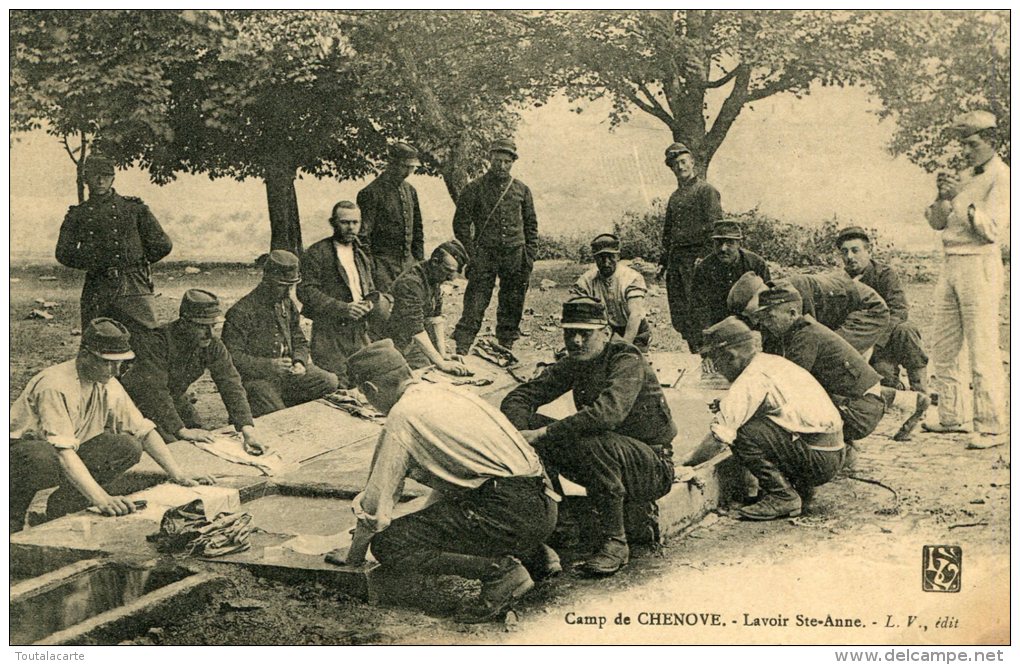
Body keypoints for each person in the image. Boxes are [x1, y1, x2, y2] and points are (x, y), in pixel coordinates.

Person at [327, 340, 558, 623]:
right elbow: (457, 483)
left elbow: (375, 502)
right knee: (449, 515)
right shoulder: (445, 392)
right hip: (542, 504)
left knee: (390, 543)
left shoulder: (403, 416)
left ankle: (501, 574)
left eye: (365, 396)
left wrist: (354, 555)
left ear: (370, 389)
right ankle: (537, 556)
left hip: (509, 513)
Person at [500, 297, 676, 576]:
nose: (577, 341)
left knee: (587, 437)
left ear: (605, 333)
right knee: (535, 428)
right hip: (608, 460)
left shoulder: (626, 358)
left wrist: (543, 434)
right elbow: (519, 397)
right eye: (570, 333)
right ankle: (562, 522)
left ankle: (616, 542)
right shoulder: (577, 361)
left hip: (651, 466)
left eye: (586, 333)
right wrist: (524, 433)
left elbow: (607, 414)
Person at [10, 318, 212, 533]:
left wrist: (178, 474)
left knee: (126, 446)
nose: (115, 370)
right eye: (107, 362)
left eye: (120, 362)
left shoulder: (107, 382)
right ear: (85, 355)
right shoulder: (54, 385)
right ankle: (12, 518)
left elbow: (143, 430)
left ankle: (64, 506)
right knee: (41, 456)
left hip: (66, 453)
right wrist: (102, 499)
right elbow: (62, 451)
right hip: (20, 456)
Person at [698, 317, 844, 520]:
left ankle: (782, 496)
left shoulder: (751, 378)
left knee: (742, 432)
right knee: (750, 423)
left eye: (716, 362)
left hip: (818, 459)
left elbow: (719, 437)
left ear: (730, 355)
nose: (718, 371)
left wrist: (685, 463)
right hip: (831, 450)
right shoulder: (770, 362)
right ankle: (796, 490)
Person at [922, 110, 1009, 449]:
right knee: (944, 345)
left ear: (992, 141)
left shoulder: (1003, 177)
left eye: (972, 144)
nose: (966, 151)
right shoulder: (963, 175)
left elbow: (991, 231)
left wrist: (963, 199)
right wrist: (944, 198)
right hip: (952, 262)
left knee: (982, 345)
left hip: (980, 265)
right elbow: (937, 223)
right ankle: (951, 416)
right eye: (963, 144)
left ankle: (992, 426)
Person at [755, 284, 929, 444]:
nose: (765, 323)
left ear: (792, 314)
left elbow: (788, 388)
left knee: (790, 421)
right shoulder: (800, 331)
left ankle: (840, 450)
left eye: (770, 317)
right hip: (860, 400)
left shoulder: (805, 337)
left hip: (858, 416)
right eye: (762, 318)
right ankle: (906, 400)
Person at [120, 290, 270, 455]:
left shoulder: (212, 344)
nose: (210, 334)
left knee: (203, 439)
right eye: (202, 326)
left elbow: (230, 383)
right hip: (139, 403)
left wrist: (246, 428)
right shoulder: (158, 342)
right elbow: (154, 391)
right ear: (184, 323)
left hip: (174, 398)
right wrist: (180, 430)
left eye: (213, 326)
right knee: (173, 447)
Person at [55, 154, 173, 331]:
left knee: (147, 339)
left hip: (133, 283)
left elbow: (163, 244)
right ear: (86, 178)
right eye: (95, 175)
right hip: (97, 285)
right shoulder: (78, 214)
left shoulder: (134, 209)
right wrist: (93, 261)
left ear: (113, 178)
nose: (101, 180)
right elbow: (63, 253)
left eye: (106, 175)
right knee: (98, 339)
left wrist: (137, 261)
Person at [223, 250, 339, 417]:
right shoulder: (241, 311)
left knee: (329, 381)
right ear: (267, 279)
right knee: (278, 414)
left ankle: (285, 403)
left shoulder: (286, 304)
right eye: (281, 285)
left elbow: (299, 339)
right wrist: (269, 366)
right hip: (257, 380)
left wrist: (299, 361)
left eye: (290, 285)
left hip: (288, 375)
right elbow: (231, 357)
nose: (287, 290)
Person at [452, 139, 539, 353]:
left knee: (512, 301)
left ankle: (505, 345)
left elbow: (531, 226)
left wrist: (528, 256)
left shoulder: (522, 190)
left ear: (512, 162)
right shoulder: (474, 188)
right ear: (490, 159)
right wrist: (472, 254)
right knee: (475, 301)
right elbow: (460, 224)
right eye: (497, 161)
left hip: (515, 255)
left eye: (506, 162)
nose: (501, 166)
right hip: (485, 255)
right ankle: (462, 347)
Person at [836, 226, 929, 395]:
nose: (849, 257)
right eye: (845, 252)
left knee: (906, 329)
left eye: (855, 250)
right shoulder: (839, 281)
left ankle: (921, 392)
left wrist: (876, 343)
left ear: (868, 250)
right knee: (884, 382)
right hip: (859, 345)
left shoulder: (885, 274)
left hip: (884, 341)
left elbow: (899, 310)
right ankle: (892, 382)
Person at [298, 201, 377, 388]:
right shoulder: (318, 252)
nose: (351, 227)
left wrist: (369, 303)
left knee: (363, 382)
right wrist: (342, 308)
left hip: (359, 329)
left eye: (355, 222)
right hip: (330, 332)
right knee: (336, 385)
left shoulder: (361, 252)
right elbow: (305, 290)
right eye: (345, 222)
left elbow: (368, 286)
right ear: (333, 223)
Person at [727, 270, 889, 356]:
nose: (757, 322)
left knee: (830, 356)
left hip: (867, 308)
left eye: (756, 314)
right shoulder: (771, 302)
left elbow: (808, 339)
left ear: (762, 293)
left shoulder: (797, 291)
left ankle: (895, 398)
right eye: (752, 318)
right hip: (841, 312)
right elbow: (772, 347)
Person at [658, 142, 722, 349]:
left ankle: (708, 354)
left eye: (683, 162)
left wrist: (703, 258)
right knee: (680, 311)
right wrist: (663, 262)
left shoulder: (706, 191)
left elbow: (715, 228)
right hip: (677, 261)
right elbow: (668, 233)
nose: (680, 167)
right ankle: (694, 350)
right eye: (675, 164)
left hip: (697, 259)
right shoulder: (675, 197)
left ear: (692, 163)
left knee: (699, 309)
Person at [384, 239, 472, 375]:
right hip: (390, 344)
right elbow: (415, 329)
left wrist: (443, 355)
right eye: (448, 271)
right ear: (435, 262)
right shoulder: (411, 283)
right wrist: (441, 363)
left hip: (408, 342)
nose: (451, 278)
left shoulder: (433, 276)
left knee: (433, 369)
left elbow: (435, 318)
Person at [356, 143, 425, 291]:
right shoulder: (371, 193)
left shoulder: (410, 191)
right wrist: (371, 268)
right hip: (382, 267)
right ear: (392, 164)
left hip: (409, 264)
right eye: (404, 166)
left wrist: (418, 260)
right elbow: (363, 237)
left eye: (411, 167)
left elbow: (417, 228)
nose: (408, 172)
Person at [690, 220, 771, 342]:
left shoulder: (756, 264)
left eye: (730, 243)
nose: (723, 248)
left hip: (750, 325)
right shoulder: (704, 268)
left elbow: (769, 299)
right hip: (718, 326)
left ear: (739, 243)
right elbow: (699, 307)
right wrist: (707, 336)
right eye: (718, 243)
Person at [570, 233, 651, 352]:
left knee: (628, 364)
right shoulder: (586, 280)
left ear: (618, 256)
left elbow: (636, 314)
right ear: (595, 258)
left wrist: (624, 346)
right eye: (601, 258)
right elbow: (574, 311)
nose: (606, 262)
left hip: (634, 331)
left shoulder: (632, 278)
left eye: (610, 257)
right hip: (604, 331)